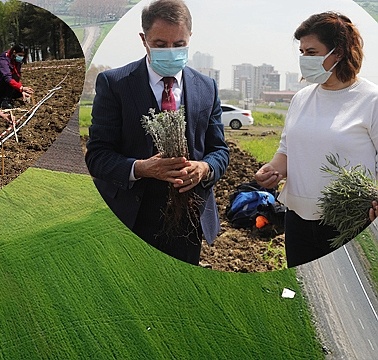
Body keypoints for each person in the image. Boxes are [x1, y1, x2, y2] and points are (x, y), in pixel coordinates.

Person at [84, 0, 229, 265]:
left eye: (179, 44)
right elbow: (97, 156)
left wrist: (204, 169)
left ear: (190, 38)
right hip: (131, 217)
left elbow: (219, 151)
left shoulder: (207, 87)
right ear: (144, 39)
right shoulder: (115, 84)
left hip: (188, 221)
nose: (171, 51)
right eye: (161, 45)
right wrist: (141, 168)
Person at [255, 12, 378, 267]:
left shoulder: (371, 100)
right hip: (298, 219)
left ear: (340, 52)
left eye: (311, 52)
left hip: (350, 222)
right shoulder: (301, 99)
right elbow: (287, 149)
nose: (304, 60)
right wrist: (272, 170)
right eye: (301, 52)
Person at [0, 43, 34, 109]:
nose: (21, 57)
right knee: (11, 84)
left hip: (2, 84)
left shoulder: (16, 61)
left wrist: (22, 90)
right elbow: (8, 78)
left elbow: (16, 76)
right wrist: (21, 88)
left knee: (18, 92)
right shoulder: (3, 61)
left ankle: (0, 101)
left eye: (23, 56)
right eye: (20, 55)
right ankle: (5, 102)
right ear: (14, 52)